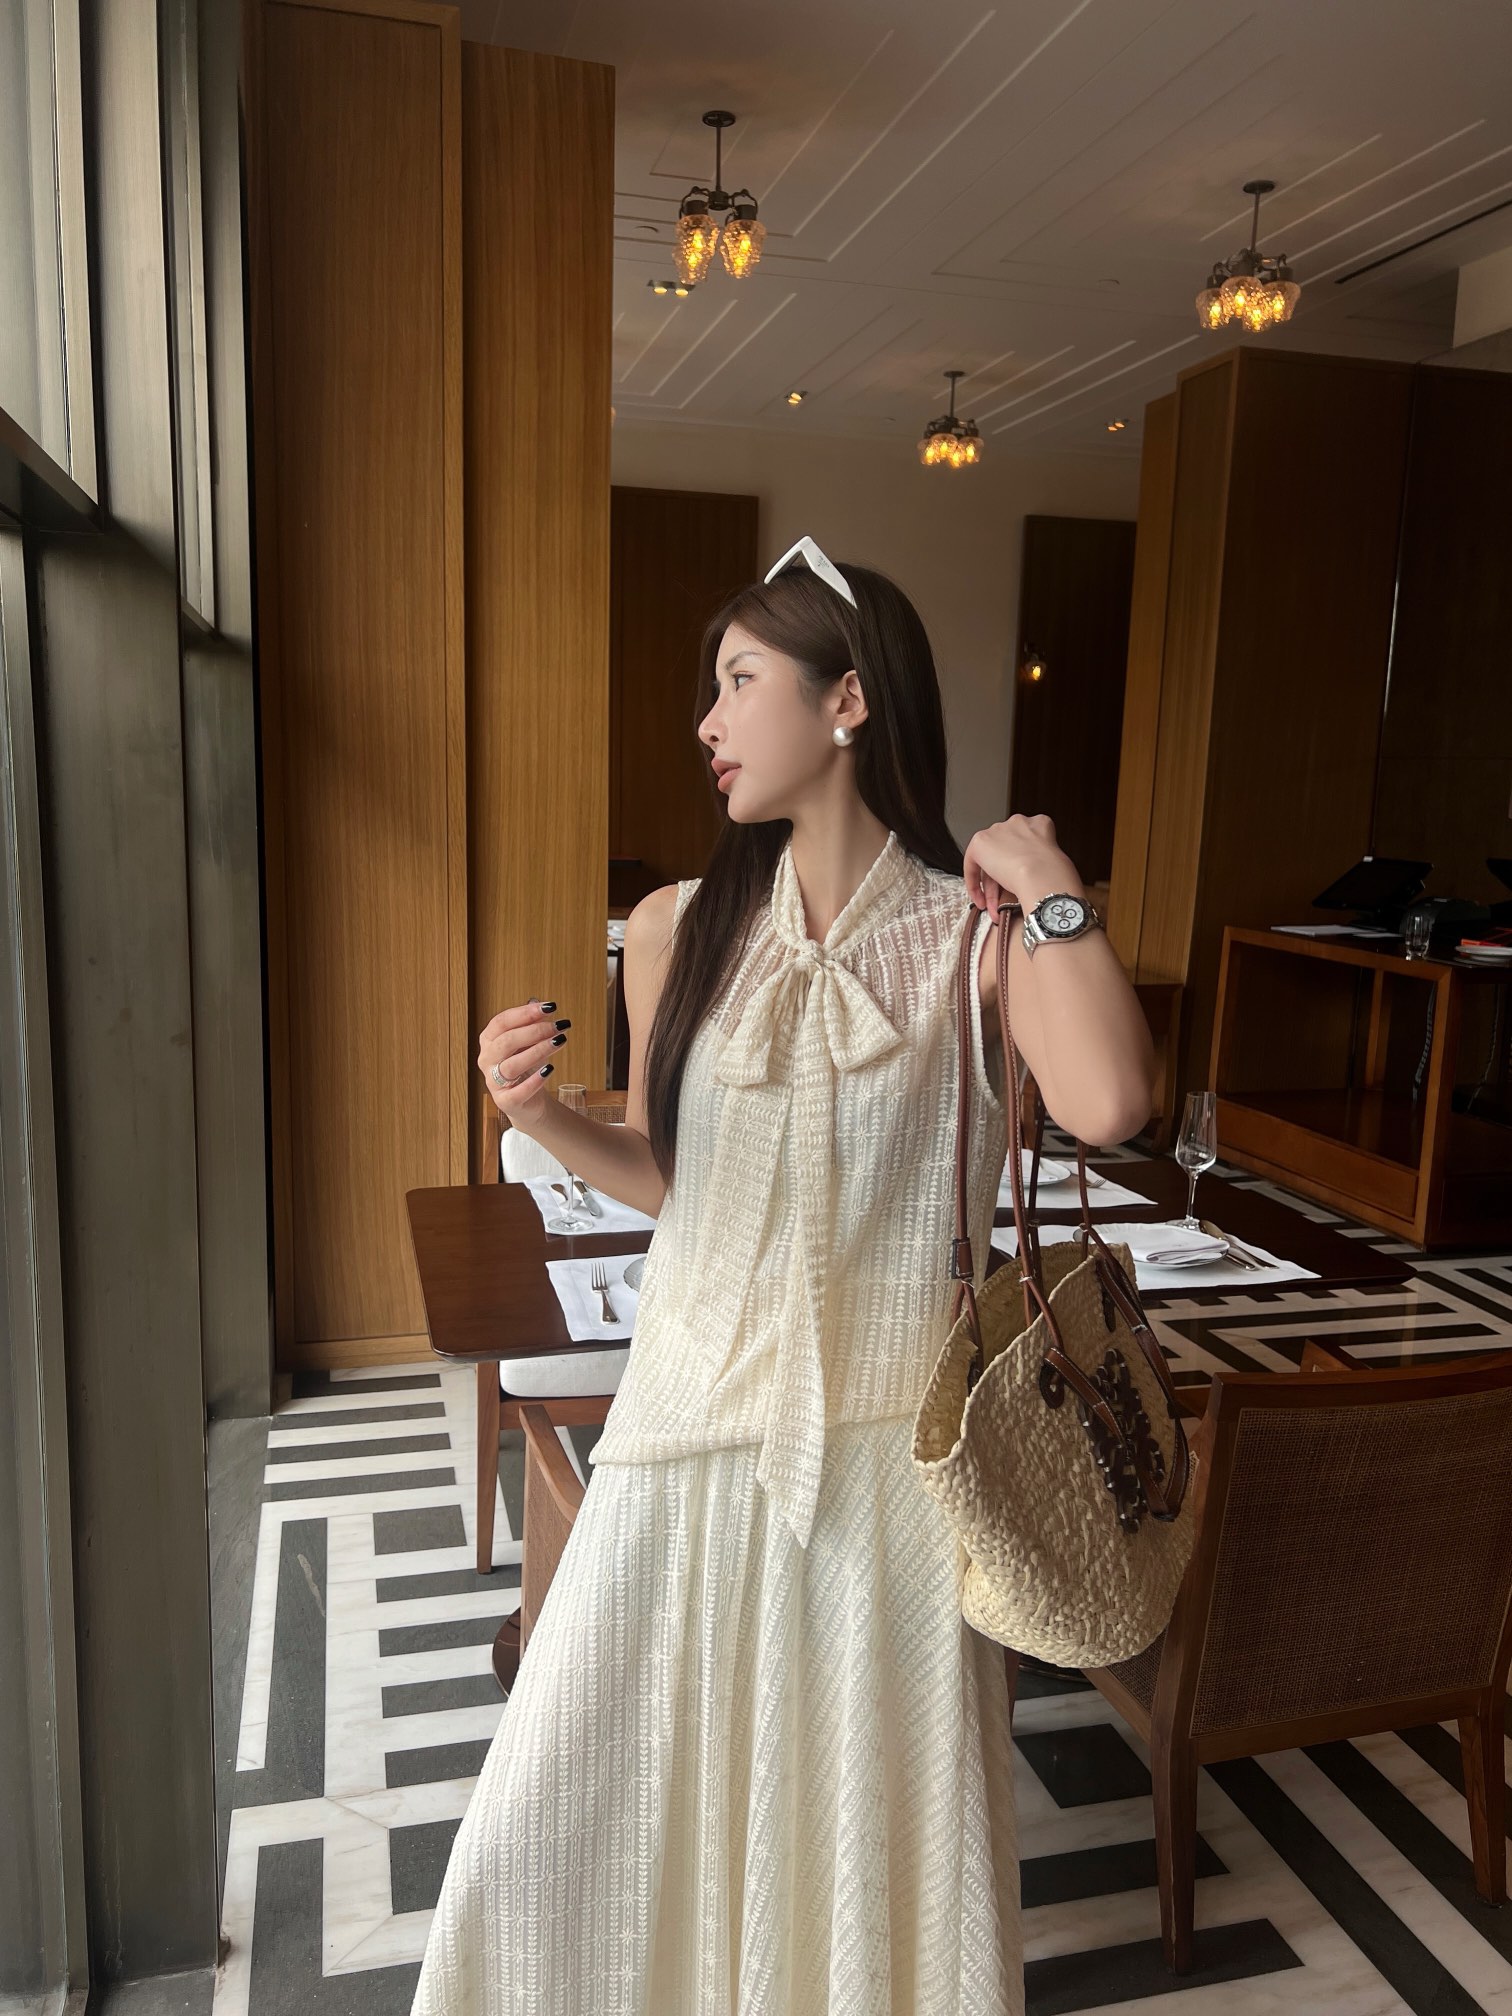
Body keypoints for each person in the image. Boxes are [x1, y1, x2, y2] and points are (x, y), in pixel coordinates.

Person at [411, 535, 1157, 2016]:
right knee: (564, 1809)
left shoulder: (975, 938)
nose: (708, 720)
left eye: (740, 680)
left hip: (892, 1470)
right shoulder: (672, 927)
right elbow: (668, 1174)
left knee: (858, 1828)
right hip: (684, 1431)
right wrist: (541, 1118)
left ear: (848, 701)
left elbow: (1114, 1104)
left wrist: (1049, 882)